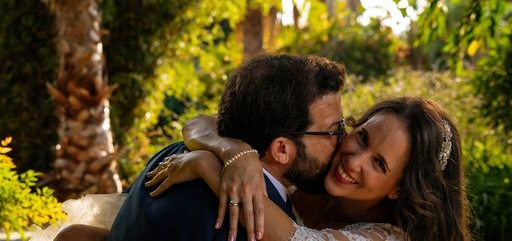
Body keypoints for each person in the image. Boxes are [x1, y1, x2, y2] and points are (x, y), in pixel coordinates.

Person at [53, 53, 346, 241]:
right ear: (282, 149)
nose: (342, 141)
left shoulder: (174, 154)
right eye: (333, 131)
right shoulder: (246, 226)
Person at [146, 97, 470, 241]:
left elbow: (294, 239)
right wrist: (236, 153)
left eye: (379, 163)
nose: (354, 161)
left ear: (400, 188)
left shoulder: (388, 237)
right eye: (362, 137)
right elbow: (202, 123)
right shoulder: (314, 166)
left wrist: (207, 165)